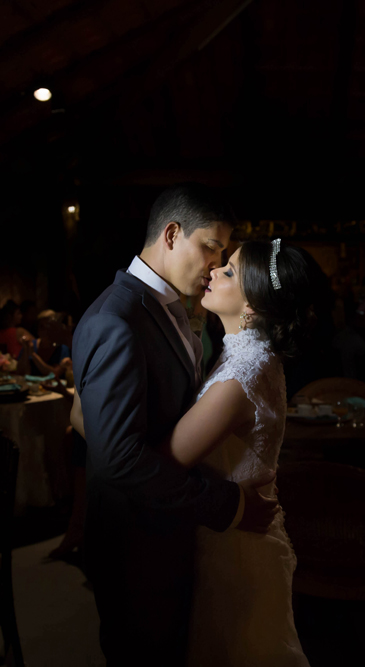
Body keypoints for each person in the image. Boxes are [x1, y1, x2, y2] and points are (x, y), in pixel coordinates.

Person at [69, 183, 281, 665]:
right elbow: (119, 458)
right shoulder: (117, 319)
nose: (215, 261)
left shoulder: (169, 308)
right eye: (211, 246)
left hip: (166, 531)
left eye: (223, 253)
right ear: (170, 234)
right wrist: (223, 504)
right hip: (135, 544)